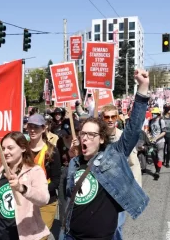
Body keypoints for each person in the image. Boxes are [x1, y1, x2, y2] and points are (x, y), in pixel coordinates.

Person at [59, 69, 150, 240]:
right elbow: (70, 198)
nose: (85, 137)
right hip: (72, 235)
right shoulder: (74, 163)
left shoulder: (112, 155)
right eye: (82, 134)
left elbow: (134, 127)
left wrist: (143, 88)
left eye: (91, 135)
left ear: (101, 139)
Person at [0, 131, 50, 240]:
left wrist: (22, 188)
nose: (5, 152)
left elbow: (44, 199)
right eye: (3, 148)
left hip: (23, 234)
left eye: (10, 148)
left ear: (23, 148)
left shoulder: (34, 171)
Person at [101, 104, 143, 240]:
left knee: (116, 226)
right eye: (106, 117)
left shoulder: (123, 138)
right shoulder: (98, 138)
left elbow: (134, 164)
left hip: (119, 189)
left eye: (113, 116)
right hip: (101, 189)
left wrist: (135, 189)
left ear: (118, 118)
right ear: (102, 118)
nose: (110, 120)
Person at [27, 114, 61, 235]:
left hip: (47, 202)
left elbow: (57, 180)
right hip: (27, 202)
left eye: (36, 127)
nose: (32, 130)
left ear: (43, 128)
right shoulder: (23, 150)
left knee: (40, 237)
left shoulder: (52, 151)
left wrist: (39, 190)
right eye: (30, 126)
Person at [148, 107, 166, 179]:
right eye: (152, 113)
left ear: (158, 114)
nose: (153, 115)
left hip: (160, 142)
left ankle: (157, 172)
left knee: (159, 156)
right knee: (153, 157)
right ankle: (156, 170)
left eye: (155, 113)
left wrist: (156, 138)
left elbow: (164, 132)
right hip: (152, 142)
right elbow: (149, 132)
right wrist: (149, 137)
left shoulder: (161, 121)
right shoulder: (150, 121)